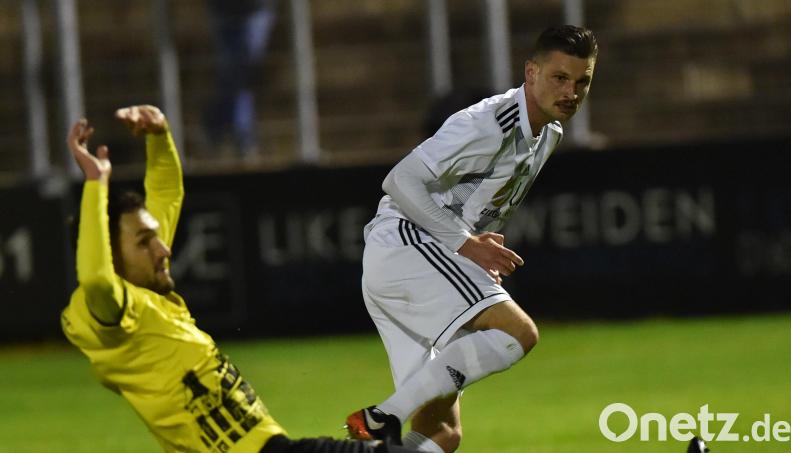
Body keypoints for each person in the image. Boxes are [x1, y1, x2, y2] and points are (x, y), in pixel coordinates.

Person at [61, 105, 419, 453]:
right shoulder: (110, 312)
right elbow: (95, 280)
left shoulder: (145, 294)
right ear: (109, 255)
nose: (163, 249)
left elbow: (167, 194)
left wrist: (159, 137)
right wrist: (96, 183)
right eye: (144, 241)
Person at [345, 25, 598, 452]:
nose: (571, 91)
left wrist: (471, 245)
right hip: (408, 245)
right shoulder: (490, 122)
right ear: (531, 72)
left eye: (582, 81)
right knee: (518, 334)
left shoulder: (548, 133)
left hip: (410, 262)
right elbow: (400, 179)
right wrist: (465, 243)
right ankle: (385, 414)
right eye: (560, 77)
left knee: (441, 435)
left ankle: (386, 420)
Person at [204, 0, 276, 159]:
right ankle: (241, 138)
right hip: (222, 10)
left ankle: (220, 129)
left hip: (255, 8)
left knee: (238, 71)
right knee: (236, 73)